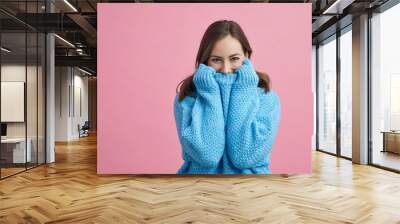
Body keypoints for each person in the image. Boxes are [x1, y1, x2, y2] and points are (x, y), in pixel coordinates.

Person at [173, 20, 281, 174]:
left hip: (251, 190)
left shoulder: (267, 98)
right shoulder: (186, 99)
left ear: (247, 56)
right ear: (205, 60)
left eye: (234, 59)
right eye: (216, 60)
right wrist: (209, 94)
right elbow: (207, 156)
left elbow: (245, 156)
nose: (226, 69)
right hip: (198, 189)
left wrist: (243, 91)